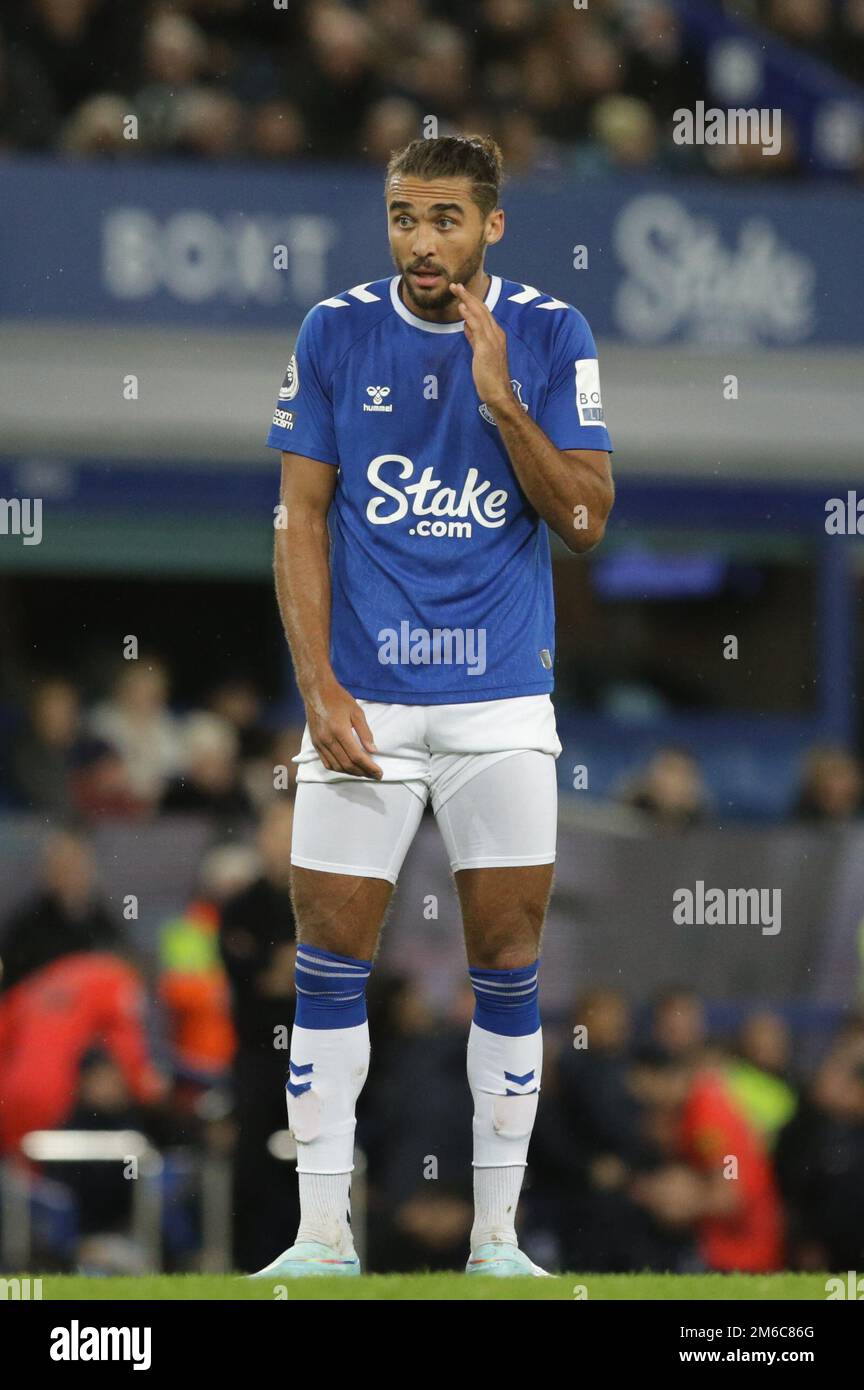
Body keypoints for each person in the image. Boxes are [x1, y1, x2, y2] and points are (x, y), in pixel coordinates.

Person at [255, 133, 614, 1279]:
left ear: (492, 226)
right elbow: (299, 518)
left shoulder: (553, 333)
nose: (422, 241)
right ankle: (319, 1236)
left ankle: (497, 1243)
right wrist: (315, 684)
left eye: (446, 219)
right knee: (327, 957)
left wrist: (505, 404)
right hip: (363, 703)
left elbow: (589, 519)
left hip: (500, 706)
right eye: (405, 216)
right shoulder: (332, 330)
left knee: (507, 958)